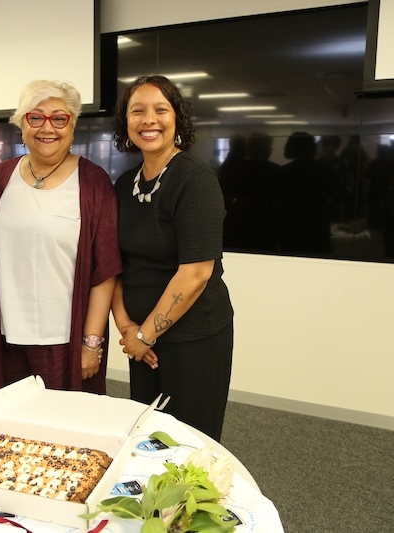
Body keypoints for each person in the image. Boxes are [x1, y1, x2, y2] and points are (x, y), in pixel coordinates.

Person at [110, 75, 234, 442]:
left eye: (160, 110)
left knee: (190, 443)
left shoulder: (194, 180)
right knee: (147, 438)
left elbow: (195, 273)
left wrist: (146, 333)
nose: (149, 120)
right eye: (138, 111)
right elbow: (114, 263)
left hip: (194, 338)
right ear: (126, 123)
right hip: (142, 339)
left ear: (176, 119)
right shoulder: (124, 184)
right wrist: (128, 328)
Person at [0, 79, 121, 394]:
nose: (48, 127)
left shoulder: (92, 183)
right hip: (5, 338)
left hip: (63, 341)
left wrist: (91, 343)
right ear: (21, 123)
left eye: (59, 118)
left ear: (72, 125)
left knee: (66, 431)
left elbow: (106, 272)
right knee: (12, 431)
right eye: (36, 117)